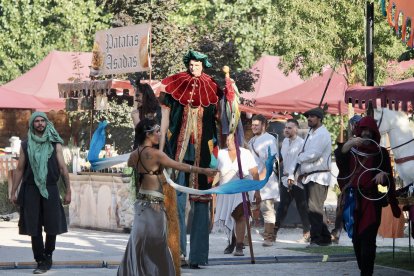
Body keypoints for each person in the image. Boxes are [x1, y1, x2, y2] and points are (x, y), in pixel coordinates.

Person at [118, 118, 218, 276]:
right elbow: (181, 166)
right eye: (157, 132)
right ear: (148, 134)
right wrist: (204, 171)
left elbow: (136, 178)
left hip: (141, 203)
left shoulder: (133, 155)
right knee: (157, 242)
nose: (159, 135)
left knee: (139, 240)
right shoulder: (156, 154)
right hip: (155, 204)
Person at [159, 50, 222, 268]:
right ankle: (176, 253)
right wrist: (160, 149)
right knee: (176, 201)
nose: (194, 67)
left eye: (198, 64)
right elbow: (165, 119)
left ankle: (198, 256)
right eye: (192, 64)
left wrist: (231, 97)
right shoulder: (176, 84)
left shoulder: (214, 88)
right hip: (177, 151)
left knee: (201, 203)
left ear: (203, 65)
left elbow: (223, 122)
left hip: (202, 155)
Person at [336, 116, 400, 276]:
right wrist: (349, 144)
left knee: (368, 239)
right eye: (363, 130)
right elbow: (340, 161)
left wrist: (383, 176)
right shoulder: (350, 150)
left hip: (371, 202)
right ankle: (364, 269)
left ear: (374, 133)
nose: (366, 134)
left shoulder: (381, 153)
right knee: (356, 239)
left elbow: (388, 181)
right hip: (352, 200)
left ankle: (366, 273)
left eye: (369, 131)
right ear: (358, 131)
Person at [10, 112, 71, 274]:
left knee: (52, 225)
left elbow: (63, 168)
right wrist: (13, 191)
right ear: (32, 124)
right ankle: (40, 259)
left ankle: (48, 255)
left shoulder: (55, 143)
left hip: (50, 188)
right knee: (33, 226)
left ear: (46, 123)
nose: (39, 123)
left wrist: (68, 191)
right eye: (36, 121)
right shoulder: (25, 144)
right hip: (30, 189)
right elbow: (20, 169)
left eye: (42, 120)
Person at [214, 134, 260, 256]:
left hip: (241, 189)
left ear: (237, 140)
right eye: (227, 140)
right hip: (226, 190)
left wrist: (257, 191)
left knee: (241, 216)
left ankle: (239, 245)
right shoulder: (220, 154)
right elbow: (215, 173)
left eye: (231, 140)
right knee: (230, 217)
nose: (228, 142)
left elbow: (255, 173)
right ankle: (232, 240)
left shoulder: (245, 153)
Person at [296, 107, 332, 246]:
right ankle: (325, 237)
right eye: (308, 117)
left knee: (314, 209)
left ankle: (316, 239)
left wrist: (299, 157)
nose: (309, 118)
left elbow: (313, 154)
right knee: (313, 209)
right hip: (309, 176)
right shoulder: (311, 133)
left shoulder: (322, 134)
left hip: (318, 176)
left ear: (319, 118)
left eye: (312, 116)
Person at [276, 119, 311, 243]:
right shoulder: (284, 141)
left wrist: (294, 175)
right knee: (282, 207)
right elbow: (282, 159)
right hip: (286, 179)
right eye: (286, 127)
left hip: (297, 179)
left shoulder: (302, 143)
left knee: (303, 207)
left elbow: (301, 162)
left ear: (296, 129)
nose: (286, 130)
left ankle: (307, 233)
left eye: (290, 128)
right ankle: (273, 233)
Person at [248, 114, 279, 247]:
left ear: (263, 125)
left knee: (267, 210)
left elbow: (271, 161)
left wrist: (261, 177)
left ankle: (268, 237)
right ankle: (245, 238)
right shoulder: (251, 141)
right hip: (252, 180)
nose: (254, 127)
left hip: (266, 180)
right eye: (253, 125)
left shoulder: (269, 139)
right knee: (249, 209)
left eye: (256, 125)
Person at [331, 114, 362, 244]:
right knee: (343, 203)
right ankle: (337, 231)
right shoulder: (345, 137)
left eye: (357, 124)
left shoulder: (366, 138)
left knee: (360, 208)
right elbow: (339, 154)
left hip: (362, 179)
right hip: (348, 179)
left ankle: (354, 232)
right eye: (353, 124)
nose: (355, 126)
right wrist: (350, 143)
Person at [131, 82, 161, 149]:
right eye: (135, 95)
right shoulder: (139, 111)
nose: (136, 98)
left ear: (145, 95)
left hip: (153, 151)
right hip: (141, 150)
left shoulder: (158, 111)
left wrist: (136, 120)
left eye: (138, 95)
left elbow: (144, 132)